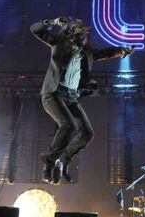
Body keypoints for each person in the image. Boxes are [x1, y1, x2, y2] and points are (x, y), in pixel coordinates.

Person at [30, 16, 135, 184]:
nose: (84, 38)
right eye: (80, 34)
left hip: (71, 97)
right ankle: (48, 162)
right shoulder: (58, 43)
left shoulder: (87, 52)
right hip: (53, 94)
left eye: (85, 36)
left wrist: (122, 50)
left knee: (87, 133)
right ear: (71, 34)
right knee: (68, 125)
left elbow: (104, 53)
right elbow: (35, 29)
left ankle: (62, 161)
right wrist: (51, 22)